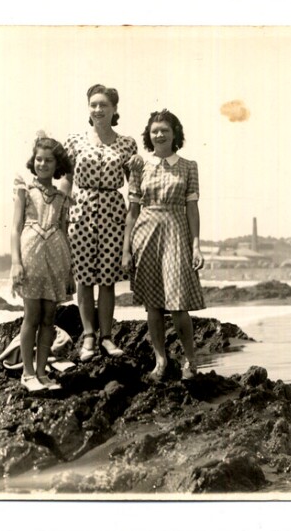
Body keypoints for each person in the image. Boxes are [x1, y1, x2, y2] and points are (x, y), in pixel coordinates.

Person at [59, 84, 143, 361]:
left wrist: (135, 218)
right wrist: (59, 213)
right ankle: (88, 337)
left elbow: (134, 186)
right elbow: (66, 180)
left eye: (103, 105)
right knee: (84, 278)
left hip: (112, 213)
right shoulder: (74, 141)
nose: (98, 109)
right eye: (93, 104)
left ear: (114, 109)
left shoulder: (127, 143)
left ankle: (106, 337)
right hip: (81, 212)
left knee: (108, 279)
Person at [122, 109, 206, 380]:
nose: (159, 135)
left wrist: (196, 245)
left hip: (177, 233)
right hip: (145, 234)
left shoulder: (189, 166)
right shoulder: (139, 167)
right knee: (153, 305)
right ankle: (161, 361)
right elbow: (133, 211)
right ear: (148, 135)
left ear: (174, 134)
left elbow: (192, 209)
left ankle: (190, 360)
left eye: (164, 130)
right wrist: (126, 249)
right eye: (154, 131)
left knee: (178, 303)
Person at [11, 135, 75, 391]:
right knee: (32, 315)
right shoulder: (25, 190)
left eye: (49, 160)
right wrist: (16, 263)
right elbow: (15, 228)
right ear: (33, 160)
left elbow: (64, 232)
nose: (43, 164)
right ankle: (27, 374)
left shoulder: (61, 196)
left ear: (57, 164)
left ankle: (41, 372)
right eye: (39, 159)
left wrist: (69, 270)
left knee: (49, 317)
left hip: (56, 257)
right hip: (31, 255)